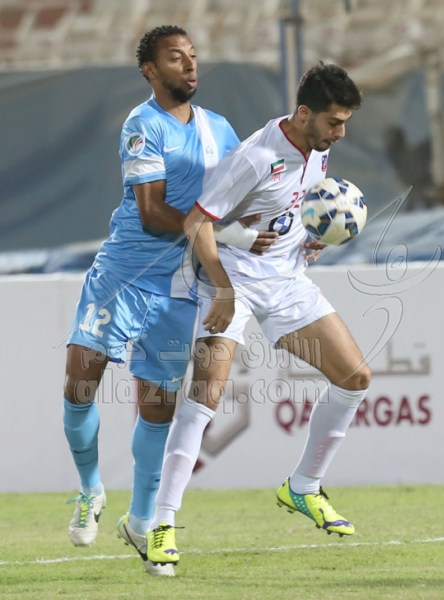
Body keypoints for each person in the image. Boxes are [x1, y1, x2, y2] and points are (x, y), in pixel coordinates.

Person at [63, 25, 277, 576]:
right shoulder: (143, 125)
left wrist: (288, 226)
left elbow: (245, 196)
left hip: (181, 286)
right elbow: (153, 212)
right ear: (150, 70)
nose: (189, 65)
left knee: (157, 408)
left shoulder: (219, 129)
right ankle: (90, 488)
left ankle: (140, 520)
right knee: (80, 383)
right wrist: (224, 234)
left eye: (193, 56)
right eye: (175, 58)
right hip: (124, 274)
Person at [143, 63, 372, 571]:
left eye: (345, 122)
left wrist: (311, 236)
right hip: (233, 280)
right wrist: (223, 289)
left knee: (355, 377)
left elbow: (296, 202)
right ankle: (161, 524)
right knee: (207, 394)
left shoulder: (319, 146)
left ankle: (303, 487)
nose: (340, 133)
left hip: (286, 281)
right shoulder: (256, 157)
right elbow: (196, 222)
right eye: (334, 122)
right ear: (304, 113)